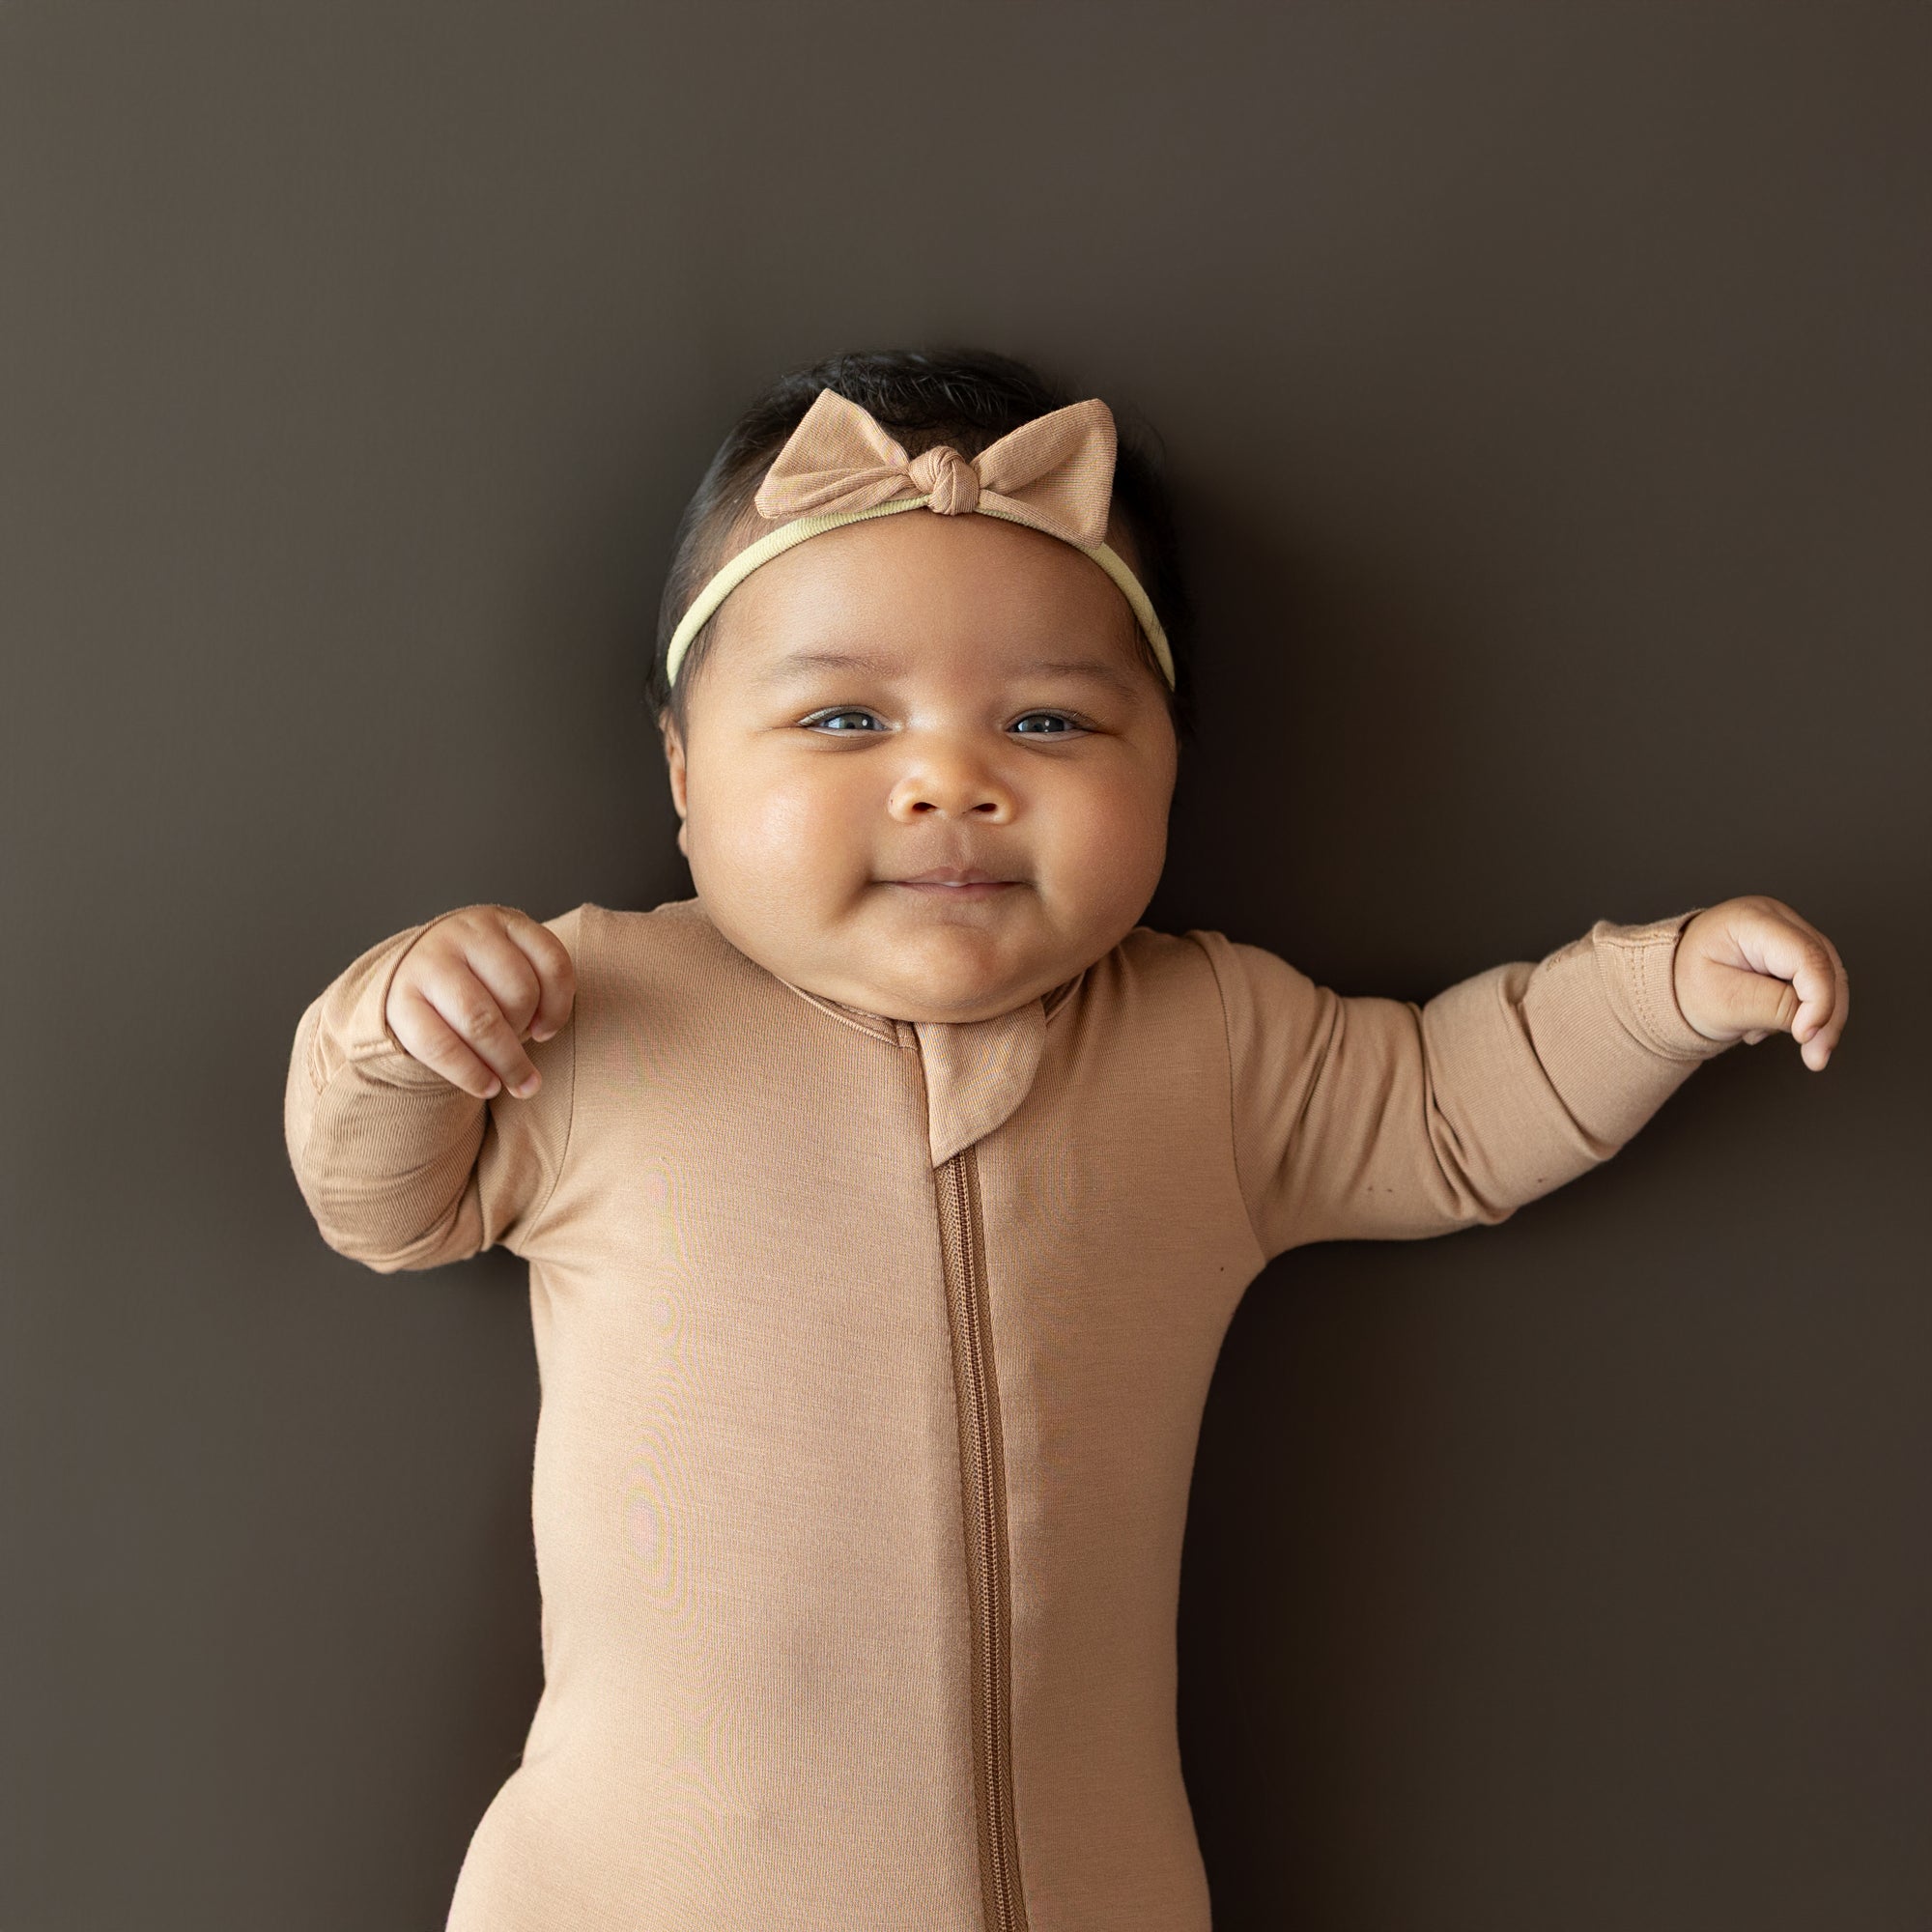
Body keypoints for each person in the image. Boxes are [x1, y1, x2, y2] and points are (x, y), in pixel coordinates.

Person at [283, 347, 1850, 1932]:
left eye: (1046, 721)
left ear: (1170, 764)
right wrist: (396, 1027)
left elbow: (1451, 1107)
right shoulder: (601, 1008)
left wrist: (1655, 991)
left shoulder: (1210, 1042)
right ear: (685, 771)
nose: (949, 781)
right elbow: (387, 1206)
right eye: (842, 718)